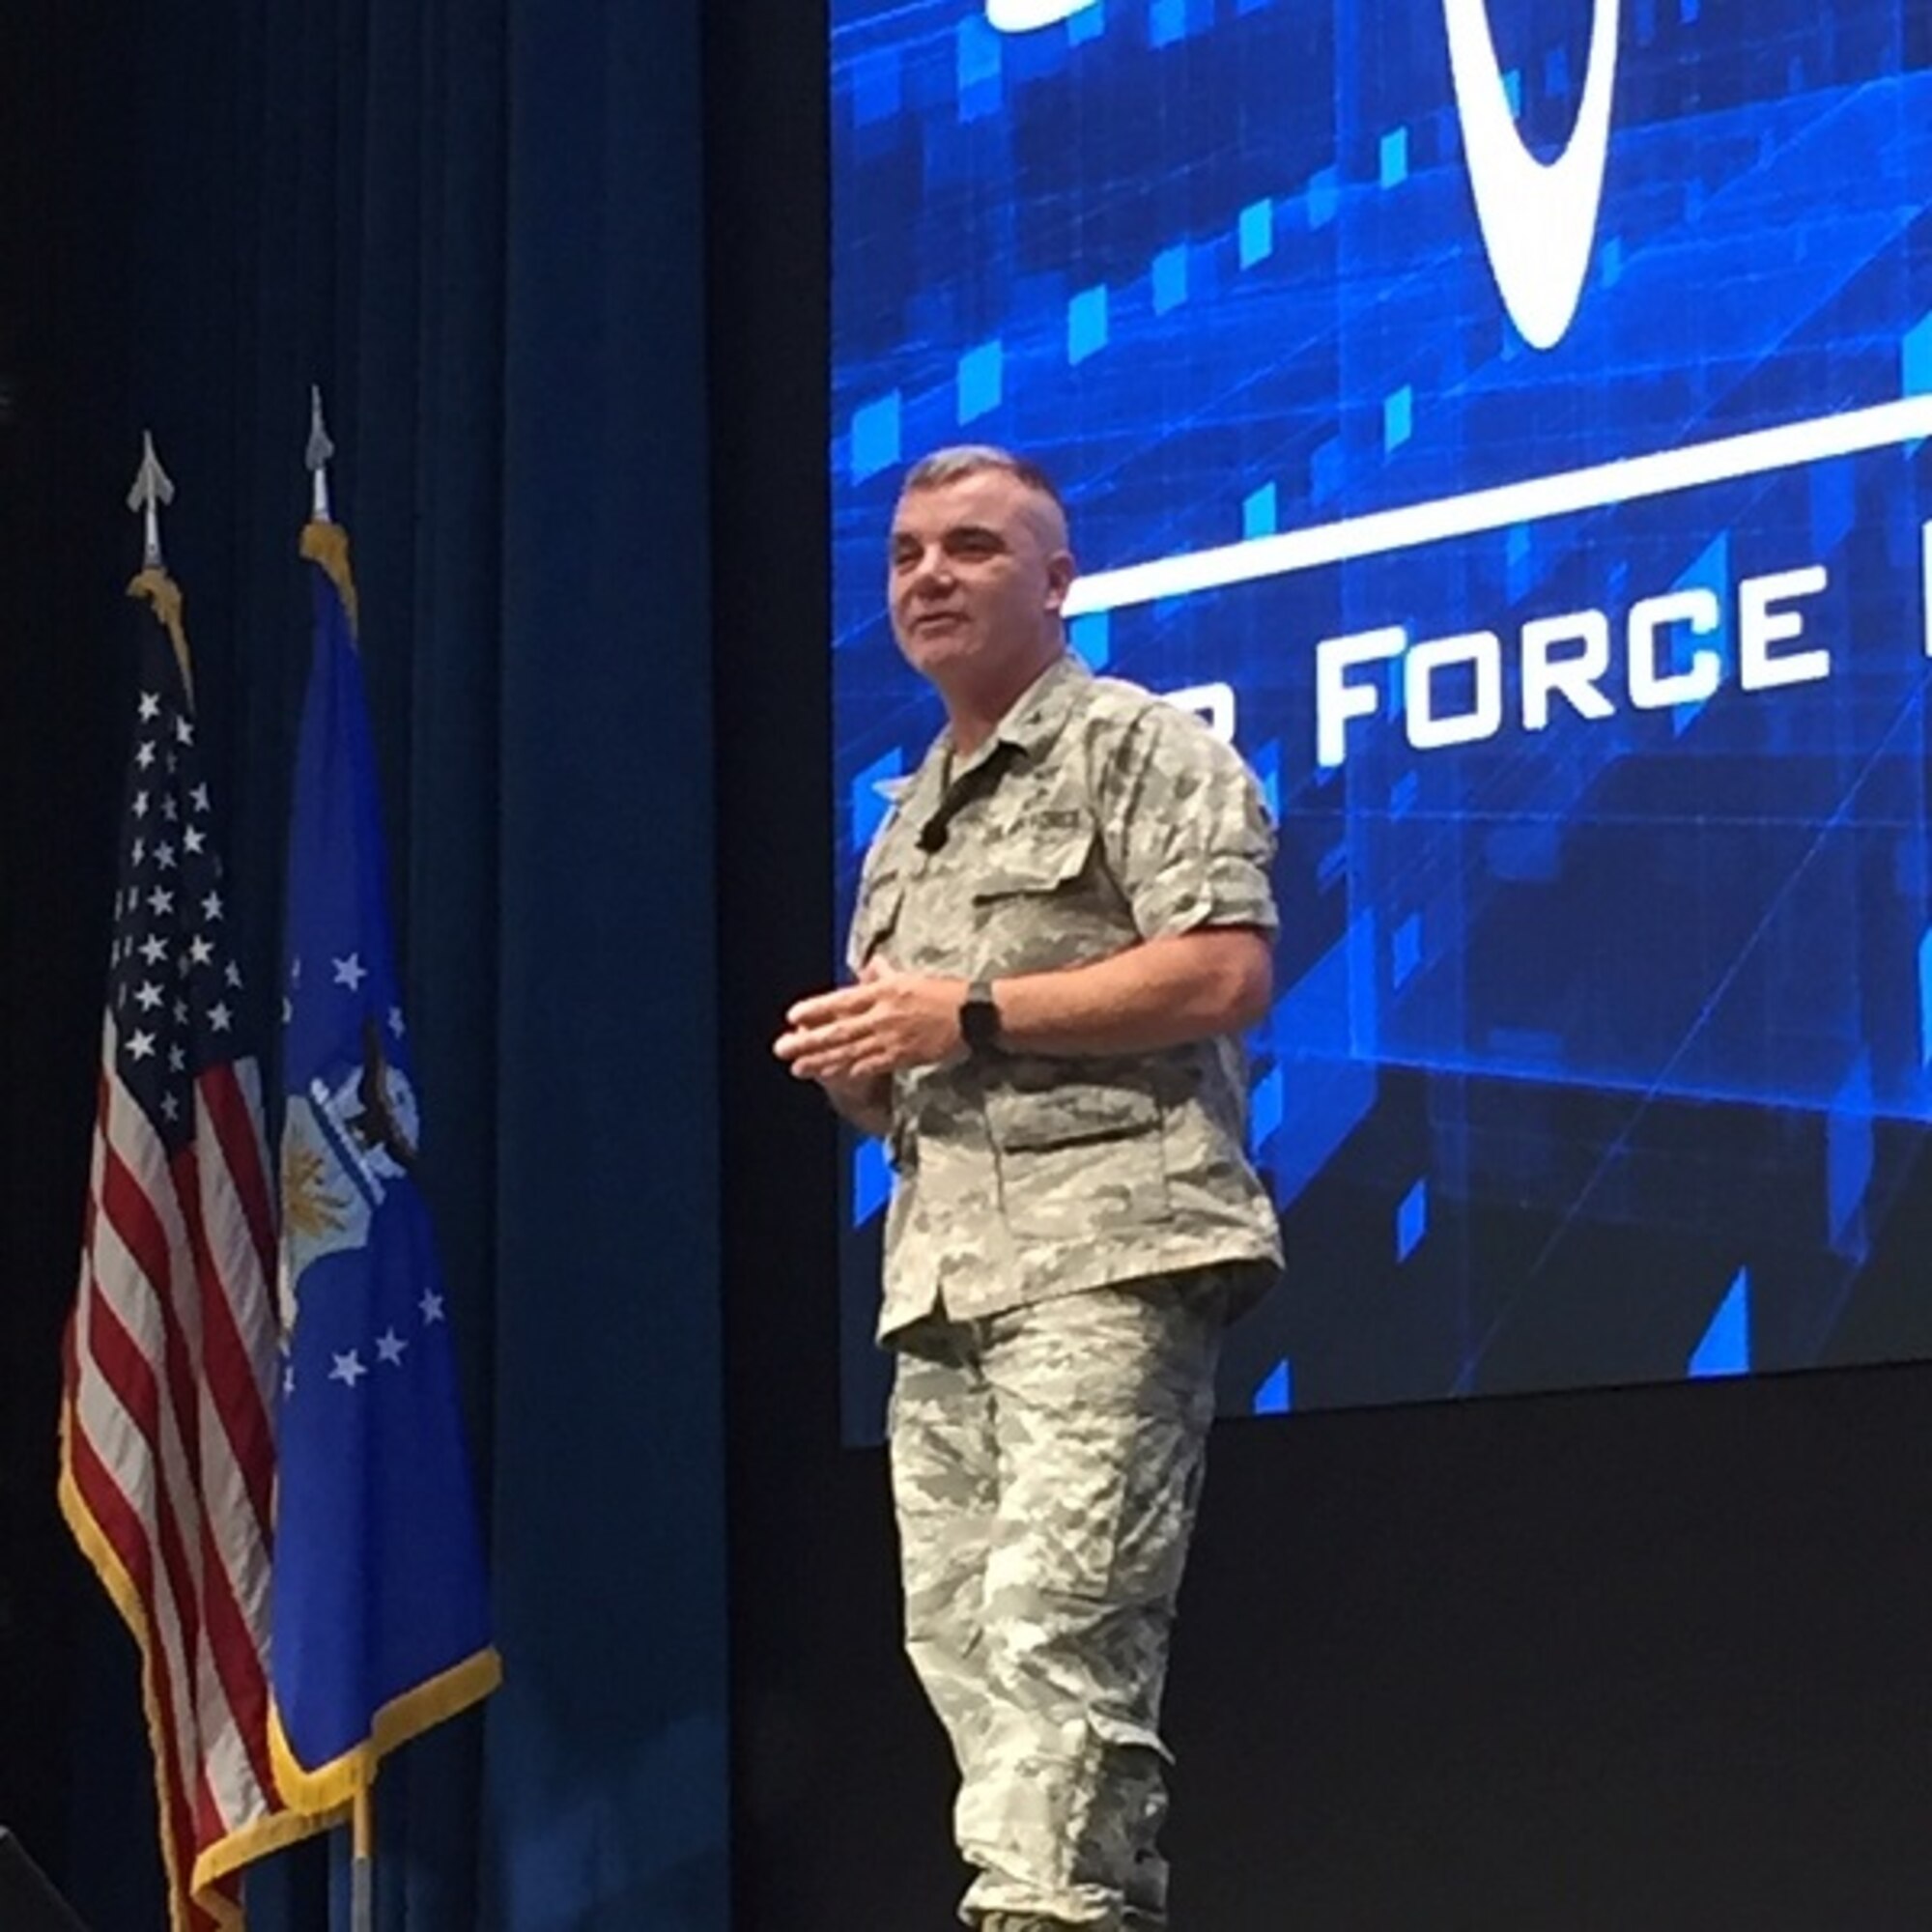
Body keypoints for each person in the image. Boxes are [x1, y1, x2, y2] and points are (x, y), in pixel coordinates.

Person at [774, 445, 1283, 1932]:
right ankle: (1067, 1908)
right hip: (943, 1282)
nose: (930, 575)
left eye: (975, 549)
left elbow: (1226, 969)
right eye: (908, 552)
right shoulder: (907, 813)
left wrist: (972, 1012)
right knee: (967, 1651)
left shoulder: (1138, 746)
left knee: (1063, 1630)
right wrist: (869, 1070)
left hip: (1108, 1256)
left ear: (1057, 582)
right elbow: (924, 1054)